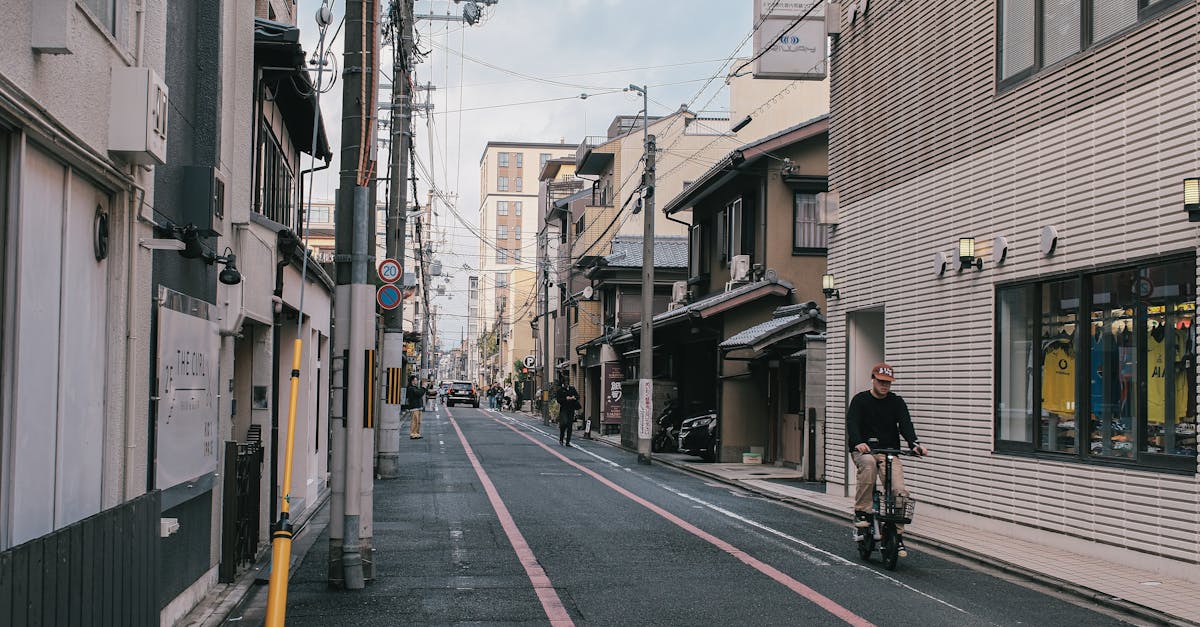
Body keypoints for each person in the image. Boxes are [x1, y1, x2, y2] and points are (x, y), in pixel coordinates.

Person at [846, 362, 929, 558]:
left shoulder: (896, 402)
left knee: (899, 490)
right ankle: (862, 513)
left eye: (888, 383)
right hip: (865, 450)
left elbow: (906, 424)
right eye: (881, 382)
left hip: (889, 451)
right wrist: (858, 442)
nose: (884, 386)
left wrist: (914, 444)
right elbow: (852, 422)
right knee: (869, 464)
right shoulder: (860, 400)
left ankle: (897, 536)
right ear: (873, 380)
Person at [555, 377, 581, 446]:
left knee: (570, 425)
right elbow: (558, 400)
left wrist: (574, 397)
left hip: (571, 409)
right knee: (564, 424)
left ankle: (568, 441)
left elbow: (578, 396)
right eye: (565, 382)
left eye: (567, 382)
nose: (566, 383)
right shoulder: (560, 390)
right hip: (564, 409)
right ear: (563, 382)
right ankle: (561, 438)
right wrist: (566, 399)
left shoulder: (572, 389)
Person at [404, 375, 426, 439]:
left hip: (418, 407)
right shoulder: (411, 388)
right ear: (412, 381)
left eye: (416, 380)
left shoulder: (415, 388)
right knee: (414, 421)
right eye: (415, 380)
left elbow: (420, 393)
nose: (416, 381)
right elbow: (419, 393)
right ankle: (413, 433)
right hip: (414, 407)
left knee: (418, 421)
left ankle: (417, 433)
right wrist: (423, 387)